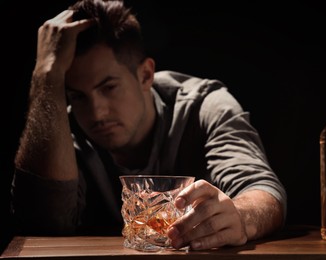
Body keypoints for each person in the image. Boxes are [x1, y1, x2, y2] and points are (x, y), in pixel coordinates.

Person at [11, 0, 287, 251]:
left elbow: (263, 191)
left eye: (109, 87)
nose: (96, 112)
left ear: (145, 75)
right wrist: (45, 74)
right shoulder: (59, 124)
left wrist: (239, 215)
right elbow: (43, 221)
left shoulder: (204, 106)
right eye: (77, 96)